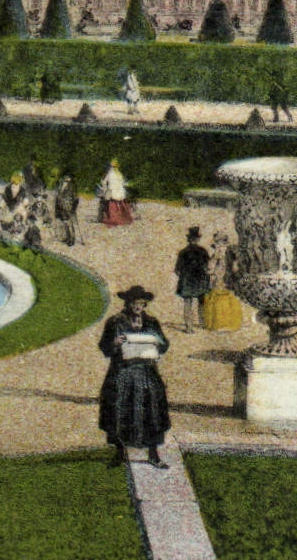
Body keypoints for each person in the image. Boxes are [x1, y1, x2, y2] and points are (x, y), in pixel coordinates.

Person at [98, 286, 171, 469]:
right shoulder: (115, 322)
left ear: (145, 304)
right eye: (134, 303)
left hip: (146, 372)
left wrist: (157, 342)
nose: (138, 307)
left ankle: (153, 454)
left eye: (141, 303)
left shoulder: (152, 322)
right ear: (127, 303)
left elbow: (164, 344)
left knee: (152, 411)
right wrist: (115, 343)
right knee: (119, 411)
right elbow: (104, 346)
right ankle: (119, 453)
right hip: (122, 372)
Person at [173, 227, 212, 332]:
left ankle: (189, 327)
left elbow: (177, 270)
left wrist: (184, 275)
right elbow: (208, 267)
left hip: (187, 281)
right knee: (201, 302)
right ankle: (202, 324)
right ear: (197, 239)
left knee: (188, 302)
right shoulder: (203, 251)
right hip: (200, 280)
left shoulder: (183, 252)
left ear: (189, 239)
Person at [202, 232, 242, 331]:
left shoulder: (219, 251)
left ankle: (220, 324)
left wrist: (209, 271)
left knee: (218, 298)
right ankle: (229, 323)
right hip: (229, 277)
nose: (216, 244)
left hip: (220, 276)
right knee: (228, 297)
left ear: (220, 242)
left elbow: (211, 265)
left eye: (217, 242)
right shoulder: (231, 251)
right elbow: (235, 266)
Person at [97, 159, 134, 226]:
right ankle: (123, 217)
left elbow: (104, 182)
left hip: (112, 192)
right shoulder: (119, 174)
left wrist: (105, 189)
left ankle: (110, 217)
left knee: (108, 202)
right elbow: (123, 183)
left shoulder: (110, 174)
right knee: (121, 204)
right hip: (120, 192)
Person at [53, 173, 81, 246]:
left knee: (69, 223)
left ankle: (72, 239)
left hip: (68, 207)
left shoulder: (72, 186)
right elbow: (58, 196)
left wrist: (73, 208)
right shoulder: (60, 184)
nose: (67, 178)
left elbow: (76, 198)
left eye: (68, 177)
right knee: (64, 223)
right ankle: (67, 237)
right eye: (66, 177)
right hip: (60, 207)